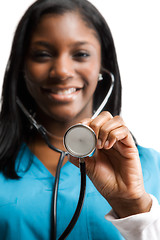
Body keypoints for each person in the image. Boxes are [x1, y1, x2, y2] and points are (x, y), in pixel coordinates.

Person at [0, 0, 160, 239]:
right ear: (22, 67)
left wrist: (133, 206)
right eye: (43, 54)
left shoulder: (151, 168)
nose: (62, 71)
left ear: (102, 65)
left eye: (81, 54)